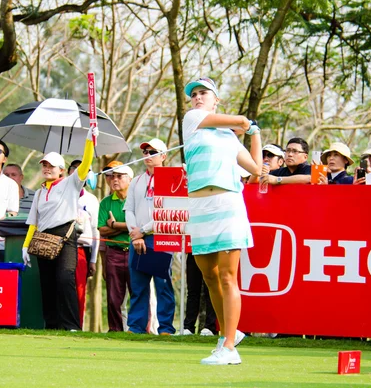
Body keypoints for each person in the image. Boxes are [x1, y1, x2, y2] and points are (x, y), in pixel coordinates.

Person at [182, 77, 261, 365]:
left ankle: (229, 346)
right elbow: (239, 119)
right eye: (195, 94)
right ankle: (229, 333)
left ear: (216, 100)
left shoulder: (229, 137)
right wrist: (244, 122)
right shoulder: (191, 120)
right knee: (209, 276)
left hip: (228, 204)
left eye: (204, 93)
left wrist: (254, 134)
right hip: (200, 208)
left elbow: (255, 170)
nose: (198, 97)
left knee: (227, 277)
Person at [21, 126, 98, 331]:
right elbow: (34, 222)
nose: (47, 168)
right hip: (43, 238)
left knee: (65, 279)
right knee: (47, 283)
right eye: (44, 165)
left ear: (61, 170)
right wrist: (25, 246)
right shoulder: (39, 193)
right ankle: (52, 325)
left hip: (65, 235)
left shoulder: (71, 183)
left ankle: (71, 325)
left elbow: (85, 165)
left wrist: (89, 141)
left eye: (51, 166)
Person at [124, 138, 176, 336]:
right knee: (138, 284)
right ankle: (136, 326)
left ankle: (166, 328)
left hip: (162, 237)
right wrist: (135, 234)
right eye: (145, 152)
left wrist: (143, 230)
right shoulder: (136, 181)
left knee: (163, 284)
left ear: (163, 156)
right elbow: (128, 209)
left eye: (152, 152)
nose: (147, 156)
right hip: (137, 238)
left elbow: (169, 211)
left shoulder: (172, 179)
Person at [98, 165, 134, 332]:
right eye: (113, 176)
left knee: (138, 294)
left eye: (120, 176)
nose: (115, 180)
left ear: (130, 180)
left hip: (135, 251)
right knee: (114, 298)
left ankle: (138, 329)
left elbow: (140, 225)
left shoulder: (136, 199)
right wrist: (126, 227)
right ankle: (116, 330)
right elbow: (102, 230)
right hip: (114, 253)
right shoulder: (106, 202)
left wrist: (114, 224)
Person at [67, 159, 100, 327]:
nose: (78, 174)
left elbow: (96, 230)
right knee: (62, 287)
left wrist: (93, 259)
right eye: (74, 170)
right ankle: (61, 323)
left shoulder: (91, 200)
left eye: (83, 171)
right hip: (62, 246)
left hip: (82, 248)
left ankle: (77, 325)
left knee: (80, 289)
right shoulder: (61, 194)